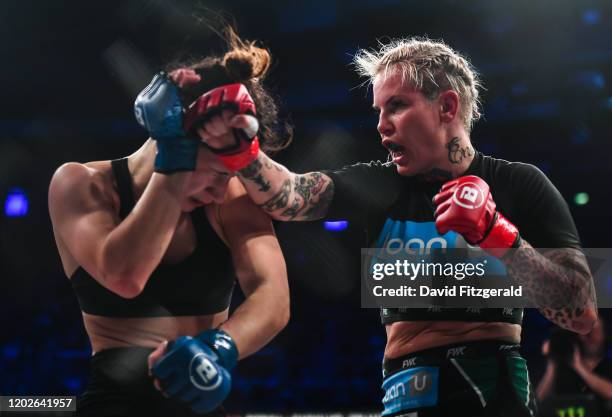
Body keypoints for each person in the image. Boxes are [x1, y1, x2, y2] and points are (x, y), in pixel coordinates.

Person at [195, 37, 598, 416]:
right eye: (379, 111)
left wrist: (497, 234)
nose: (381, 125)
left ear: (447, 107)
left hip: (492, 394)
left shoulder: (518, 183)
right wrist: (239, 147)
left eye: (397, 106)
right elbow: (290, 196)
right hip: (403, 395)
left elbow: (580, 312)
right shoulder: (379, 185)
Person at [48, 28, 291, 416]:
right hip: (114, 401)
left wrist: (218, 347)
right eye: (214, 174)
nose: (217, 192)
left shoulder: (233, 199)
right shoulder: (82, 184)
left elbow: (273, 297)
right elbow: (125, 275)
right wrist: (175, 157)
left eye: (229, 177)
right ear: (171, 140)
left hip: (204, 391)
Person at [537, 318, 612, 414]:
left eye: (595, 331)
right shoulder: (562, 368)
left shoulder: (608, 367)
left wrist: (580, 368)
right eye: (586, 332)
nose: (590, 337)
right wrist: (552, 362)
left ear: (604, 334)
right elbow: (538, 402)